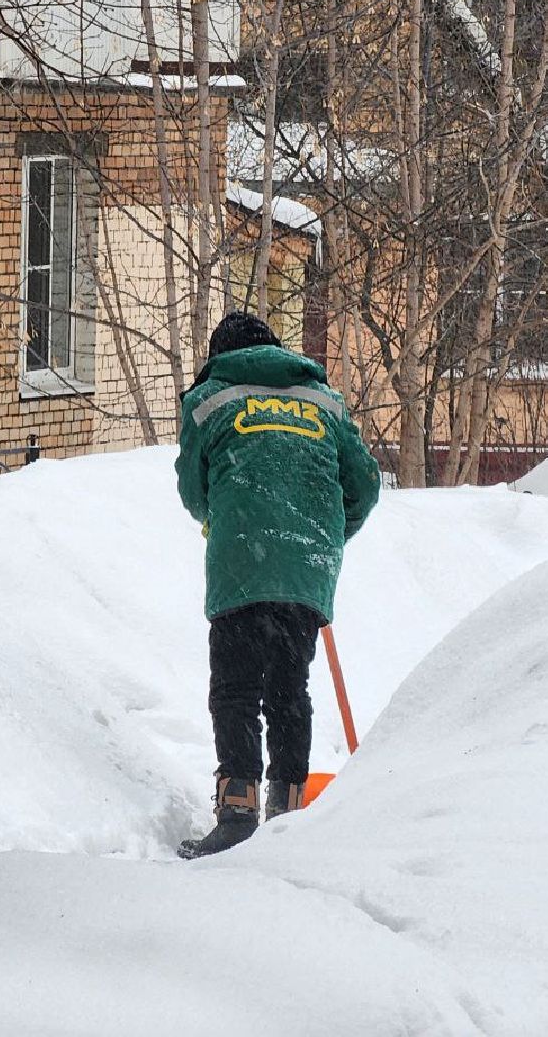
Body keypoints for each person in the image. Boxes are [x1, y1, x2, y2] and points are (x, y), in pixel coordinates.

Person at [174, 311, 381, 859]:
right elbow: (364, 486)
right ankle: (289, 817)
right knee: (289, 690)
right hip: (305, 565)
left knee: (236, 689)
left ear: (221, 353)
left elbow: (193, 490)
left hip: (242, 559)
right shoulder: (323, 401)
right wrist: (325, 534)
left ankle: (237, 812)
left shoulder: (208, 399)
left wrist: (229, 519)